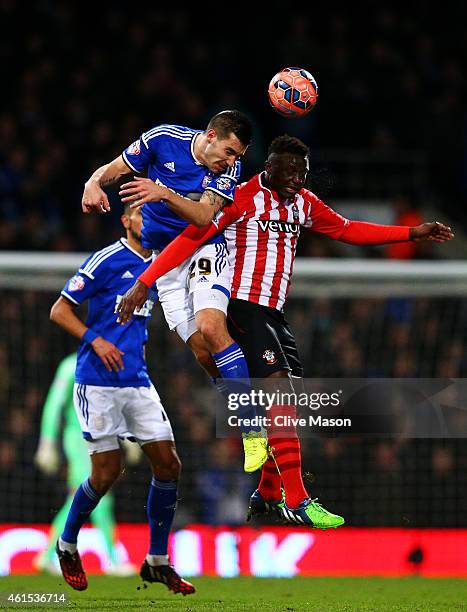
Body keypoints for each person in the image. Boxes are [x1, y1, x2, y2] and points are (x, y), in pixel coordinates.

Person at [117, 134, 454, 528]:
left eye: (303, 172)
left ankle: (268, 492)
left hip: (274, 314)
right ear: (269, 167)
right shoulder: (240, 197)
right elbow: (193, 235)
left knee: (287, 408)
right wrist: (146, 279)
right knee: (278, 396)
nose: (297, 178)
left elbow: (347, 229)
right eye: (290, 170)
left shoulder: (305, 203)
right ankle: (298, 499)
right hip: (241, 304)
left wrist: (409, 233)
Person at [81, 110, 267, 473]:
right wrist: (93, 181)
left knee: (212, 328)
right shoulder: (163, 138)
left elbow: (202, 217)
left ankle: (252, 426)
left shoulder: (227, 171)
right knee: (201, 351)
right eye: (229, 151)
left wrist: (162, 192)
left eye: (238, 157)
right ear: (211, 136)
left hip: (202, 248)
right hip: (163, 260)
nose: (231, 162)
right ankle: (243, 392)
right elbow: (118, 166)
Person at [49, 205, 195, 595]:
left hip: (138, 383)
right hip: (96, 384)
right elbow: (59, 310)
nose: (149, 223)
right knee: (106, 474)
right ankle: (66, 545)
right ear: (126, 221)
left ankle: (157, 561)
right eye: (141, 216)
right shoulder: (106, 260)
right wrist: (95, 340)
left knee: (169, 465)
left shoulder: (160, 264)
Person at [34, 353, 138, 576]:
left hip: (104, 438)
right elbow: (54, 404)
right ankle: (113, 560)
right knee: (99, 495)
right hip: (79, 439)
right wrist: (47, 442)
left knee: (77, 497)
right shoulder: (70, 365)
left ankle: (45, 556)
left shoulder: (112, 365)